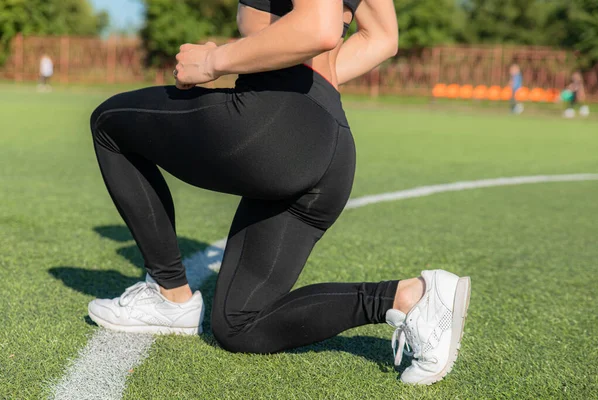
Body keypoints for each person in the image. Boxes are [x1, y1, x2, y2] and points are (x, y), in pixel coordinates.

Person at [87, 0, 471, 385]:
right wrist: (311, 90)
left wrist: (214, 61)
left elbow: (319, 28)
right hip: (328, 142)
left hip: (275, 122)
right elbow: (382, 38)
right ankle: (409, 298)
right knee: (237, 324)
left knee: (109, 125)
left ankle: (170, 293)